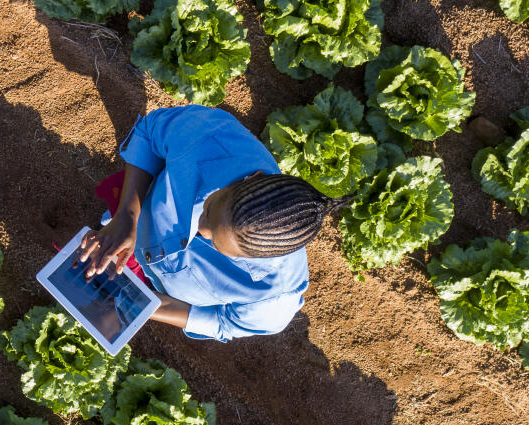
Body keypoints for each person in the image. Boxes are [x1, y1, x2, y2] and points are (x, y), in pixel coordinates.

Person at [76, 104, 349, 341]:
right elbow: (149, 134)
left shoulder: (275, 296)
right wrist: (127, 215)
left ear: (262, 256)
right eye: (209, 208)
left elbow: (223, 323)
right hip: (132, 222)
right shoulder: (211, 137)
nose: (200, 229)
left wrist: (142, 306)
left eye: (214, 243)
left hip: (152, 285)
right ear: (251, 178)